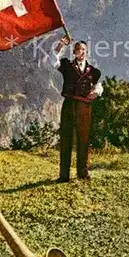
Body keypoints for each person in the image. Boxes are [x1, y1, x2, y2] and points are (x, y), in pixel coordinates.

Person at [50, 37, 103, 182]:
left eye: (84, 50)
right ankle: (64, 176)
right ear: (74, 52)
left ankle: (83, 173)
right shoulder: (67, 65)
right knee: (66, 139)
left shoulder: (93, 71)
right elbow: (53, 60)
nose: (82, 53)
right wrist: (61, 44)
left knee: (84, 140)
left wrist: (96, 92)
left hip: (85, 107)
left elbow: (98, 85)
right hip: (69, 105)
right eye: (79, 50)